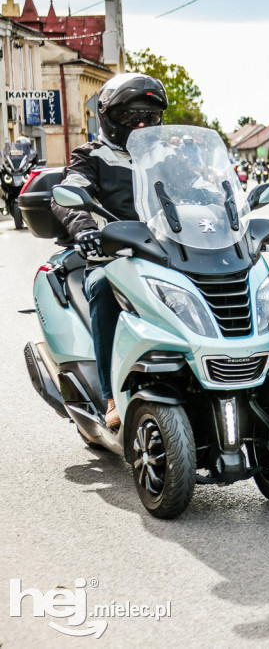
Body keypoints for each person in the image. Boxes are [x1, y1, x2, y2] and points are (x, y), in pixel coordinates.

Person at [51, 72, 168, 431]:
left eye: (149, 117)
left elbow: (203, 191)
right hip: (113, 256)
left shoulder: (168, 155)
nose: (142, 124)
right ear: (109, 117)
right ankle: (111, 394)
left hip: (167, 253)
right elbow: (69, 195)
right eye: (132, 117)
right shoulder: (90, 155)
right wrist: (85, 229)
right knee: (103, 287)